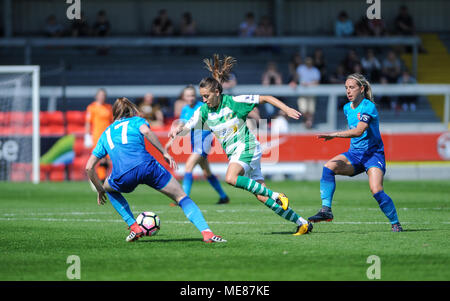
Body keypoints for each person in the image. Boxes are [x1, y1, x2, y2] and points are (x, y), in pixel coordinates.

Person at [169, 55, 313, 236]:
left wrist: (286, 109)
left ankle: (277, 195)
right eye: (202, 96)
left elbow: (266, 97)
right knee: (262, 196)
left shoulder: (234, 102)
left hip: (247, 147)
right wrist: (177, 131)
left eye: (206, 96)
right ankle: (302, 222)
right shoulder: (204, 111)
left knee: (231, 177)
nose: (203, 100)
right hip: (238, 153)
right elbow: (188, 126)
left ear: (217, 92)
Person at [85, 97, 226, 243]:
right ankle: (207, 233)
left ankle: (134, 227)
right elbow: (146, 131)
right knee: (182, 197)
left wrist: (100, 189)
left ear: (114, 113)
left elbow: (89, 167)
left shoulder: (105, 133)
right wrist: (163, 152)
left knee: (109, 189)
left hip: (123, 174)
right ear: (131, 110)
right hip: (147, 167)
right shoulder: (137, 121)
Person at [308, 73, 403, 232]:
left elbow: (359, 131)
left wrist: (334, 134)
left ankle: (396, 223)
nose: (348, 91)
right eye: (346, 88)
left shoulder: (368, 106)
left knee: (376, 190)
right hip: (354, 154)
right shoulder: (347, 108)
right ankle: (326, 211)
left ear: (362, 89)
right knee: (328, 167)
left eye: (352, 87)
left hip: (373, 155)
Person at [166, 86, 230, 205]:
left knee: (188, 167)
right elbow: (181, 128)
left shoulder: (202, 106)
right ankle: (224, 197)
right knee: (207, 173)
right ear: (183, 97)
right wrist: (170, 143)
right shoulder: (185, 109)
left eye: (192, 95)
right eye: (188, 95)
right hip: (194, 143)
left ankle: (183, 199)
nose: (191, 98)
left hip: (204, 142)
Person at [85, 89, 113, 183]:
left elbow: (111, 122)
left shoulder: (108, 107)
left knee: (107, 159)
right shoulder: (92, 107)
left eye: (103, 95)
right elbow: (88, 122)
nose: (102, 97)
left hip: (107, 135)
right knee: (100, 158)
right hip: (97, 136)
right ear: (96, 96)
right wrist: (87, 136)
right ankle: (99, 179)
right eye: (100, 95)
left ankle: (102, 178)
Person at [295, 57, 321, 129]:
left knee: (311, 110)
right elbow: (296, 78)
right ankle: (307, 121)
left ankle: (309, 122)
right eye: (307, 62)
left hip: (312, 93)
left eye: (310, 62)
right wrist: (294, 82)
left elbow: (317, 82)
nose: (308, 63)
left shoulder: (315, 70)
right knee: (303, 109)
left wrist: (308, 84)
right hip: (302, 92)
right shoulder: (300, 68)